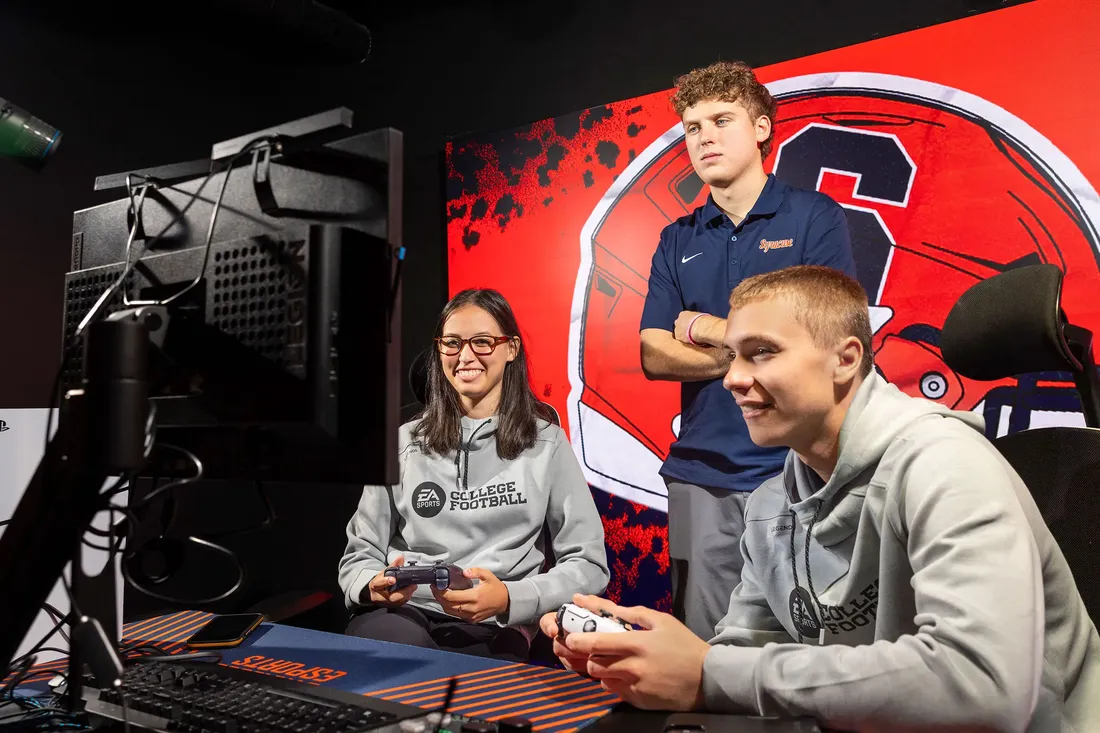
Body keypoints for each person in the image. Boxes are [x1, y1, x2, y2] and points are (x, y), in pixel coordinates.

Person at [545, 265, 1100, 730]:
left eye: (760, 353)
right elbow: (743, 657)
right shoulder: (768, 504)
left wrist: (711, 673)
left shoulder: (945, 463)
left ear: (846, 358)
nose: (733, 378)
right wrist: (645, 656)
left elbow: (984, 687)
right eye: (732, 356)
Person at [640, 60, 857, 639]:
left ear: (761, 128)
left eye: (721, 120)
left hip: (800, 469)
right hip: (701, 473)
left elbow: (822, 335)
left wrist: (706, 329)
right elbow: (654, 353)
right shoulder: (676, 238)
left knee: (812, 641)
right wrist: (754, 349)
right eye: (692, 127)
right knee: (708, 654)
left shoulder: (814, 218)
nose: (704, 137)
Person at [339, 288, 610, 663]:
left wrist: (511, 598)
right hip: (402, 612)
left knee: (464, 689)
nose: (465, 356)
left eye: (482, 342)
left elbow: (588, 564)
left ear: (511, 348)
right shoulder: (401, 441)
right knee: (393, 661)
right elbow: (359, 554)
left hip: (495, 621)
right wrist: (370, 585)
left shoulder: (546, 442)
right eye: (451, 343)